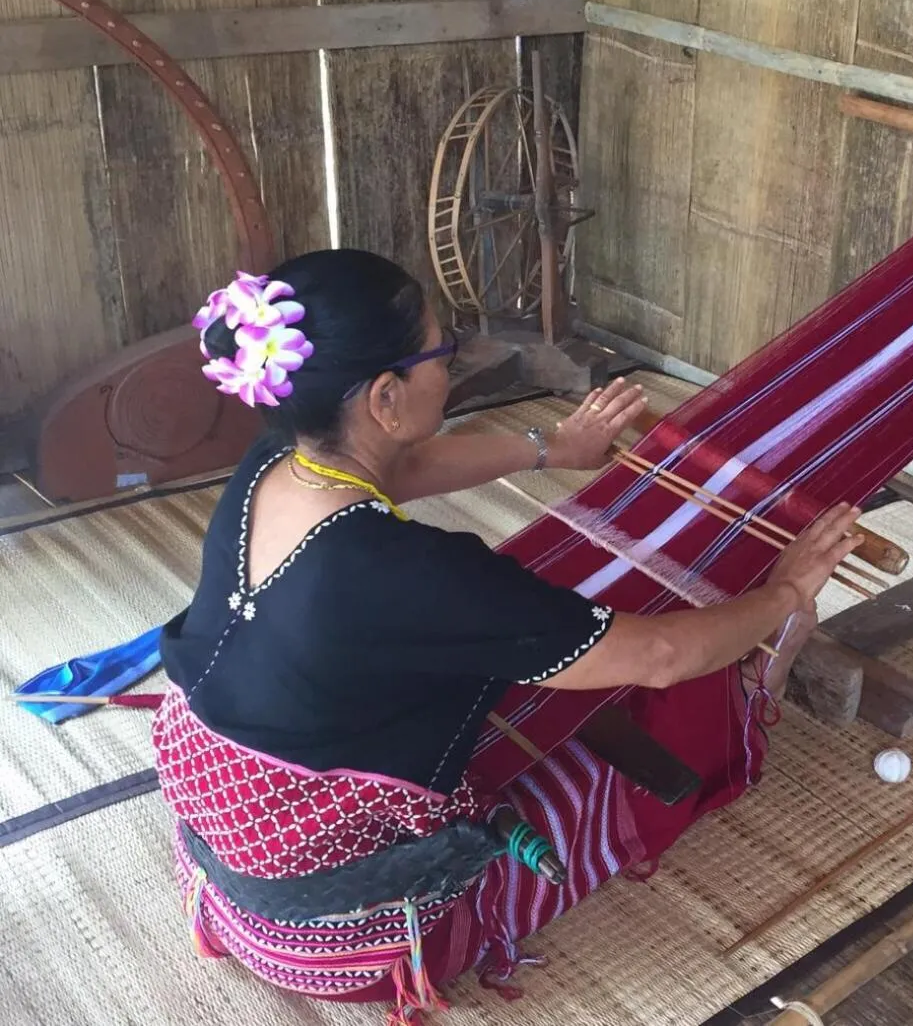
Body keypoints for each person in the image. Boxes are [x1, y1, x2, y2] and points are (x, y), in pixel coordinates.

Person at [151, 249, 861, 1024]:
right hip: (348, 943)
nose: (451, 366)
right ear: (386, 397)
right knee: (672, 716)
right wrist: (786, 590)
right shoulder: (412, 575)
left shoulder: (274, 469)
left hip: (229, 866)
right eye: (442, 352)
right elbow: (660, 655)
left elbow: (402, 468)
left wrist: (552, 448)